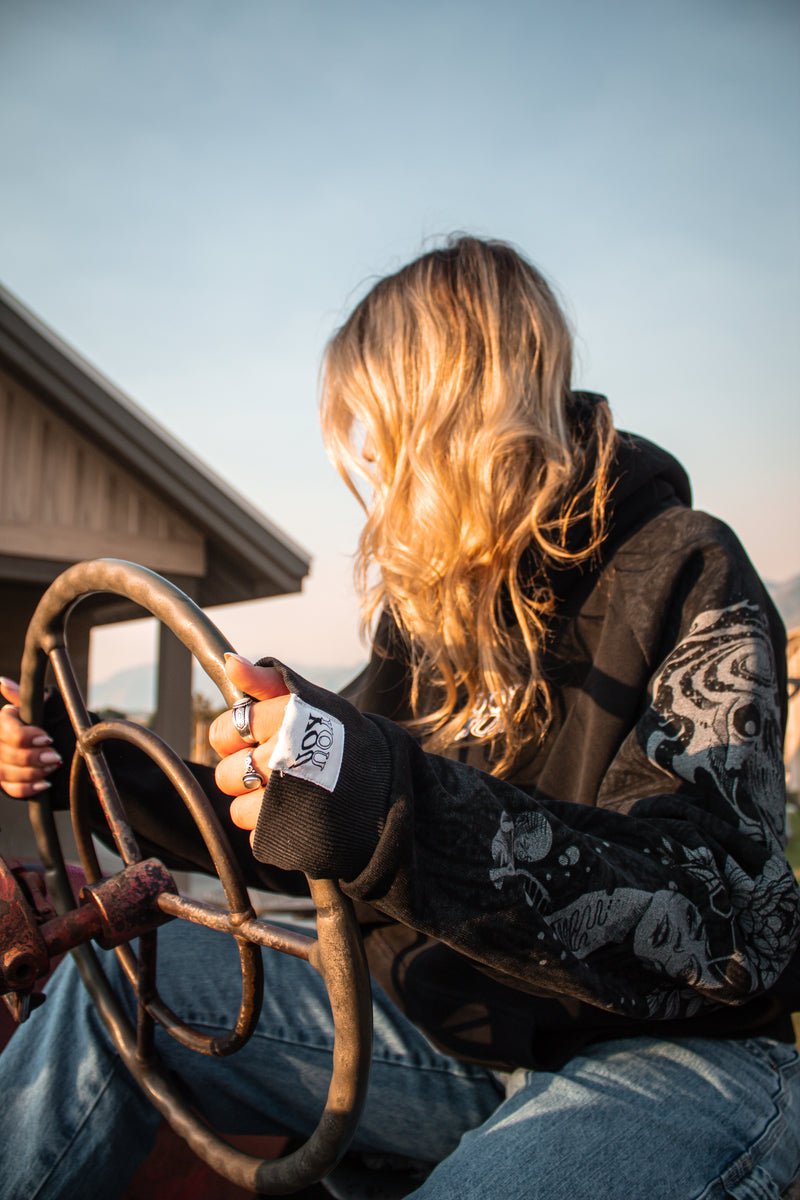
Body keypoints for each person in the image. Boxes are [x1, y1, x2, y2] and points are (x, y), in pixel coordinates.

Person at [1, 236, 799, 1199]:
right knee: (121, 989)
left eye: (378, 431)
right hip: (442, 1033)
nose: (370, 468)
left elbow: (726, 925)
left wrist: (380, 796)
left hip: (663, 1054)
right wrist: (82, 763)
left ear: (461, 410)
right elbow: (316, 840)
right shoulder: (425, 618)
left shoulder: (685, 567)